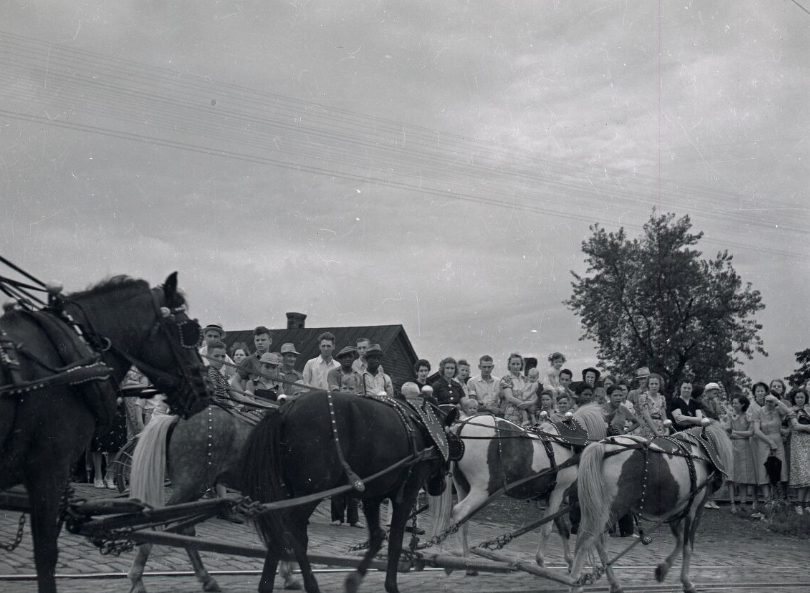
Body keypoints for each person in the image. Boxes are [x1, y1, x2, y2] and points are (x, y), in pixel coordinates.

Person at [326, 346, 364, 529]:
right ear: (340, 358)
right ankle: (337, 516)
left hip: (354, 423)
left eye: (351, 356)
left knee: (355, 469)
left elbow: (360, 396)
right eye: (345, 357)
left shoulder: (358, 375)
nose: (349, 359)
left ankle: (354, 518)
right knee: (338, 470)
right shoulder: (333, 374)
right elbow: (336, 393)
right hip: (337, 420)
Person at [753, 392, 795, 501]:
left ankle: (779, 499)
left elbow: (790, 412)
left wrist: (778, 402)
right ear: (764, 400)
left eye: (771, 401)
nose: (769, 403)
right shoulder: (758, 412)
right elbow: (756, 431)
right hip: (764, 441)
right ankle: (768, 500)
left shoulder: (778, 411)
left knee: (781, 469)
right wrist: (770, 442)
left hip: (778, 441)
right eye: (767, 400)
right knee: (764, 470)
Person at [726, 394, 757, 515]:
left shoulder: (748, 416)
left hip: (745, 447)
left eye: (736, 403)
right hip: (732, 446)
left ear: (743, 404)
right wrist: (736, 433)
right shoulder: (730, 416)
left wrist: (735, 432)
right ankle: (732, 503)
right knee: (731, 475)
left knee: (743, 475)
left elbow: (751, 432)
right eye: (733, 403)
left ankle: (743, 503)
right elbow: (728, 432)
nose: (734, 405)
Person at [789, 388, 810, 514]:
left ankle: (807, 503)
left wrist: (805, 428)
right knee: (802, 473)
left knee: (809, 474)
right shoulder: (791, 411)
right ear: (794, 398)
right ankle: (798, 503)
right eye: (797, 397)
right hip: (798, 444)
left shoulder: (809, 410)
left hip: (809, 443)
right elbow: (796, 426)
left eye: (802, 397)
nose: (800, 399)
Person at [233, 326, 274, 391]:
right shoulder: (248, 360)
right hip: (254, 399)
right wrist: (244, 396)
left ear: (270, 341)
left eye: (263, 340)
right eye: (257, 340)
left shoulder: (275, 360)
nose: (260, 342)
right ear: (254, 341)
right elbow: (234, 382)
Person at [500, 353, 535, 425]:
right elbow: (509, 397)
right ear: (509, 365)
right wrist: (524, 404)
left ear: (521, 365)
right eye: (513, 364)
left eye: (518, 364)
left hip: (526, 414)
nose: (515, 366)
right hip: (512, 414)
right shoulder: (506, 379)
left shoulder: (526, 379)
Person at [637, 373, 668, 439]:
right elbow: (647, 417)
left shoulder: (662, 398)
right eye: (652, 384)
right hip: (648, 429)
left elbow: (664, 416)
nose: (654, 386)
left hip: (661, 429)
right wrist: (656, 432)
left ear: (660, 385)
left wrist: (667, 430)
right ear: (648, 385)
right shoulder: (643, 397)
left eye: (656, 384)